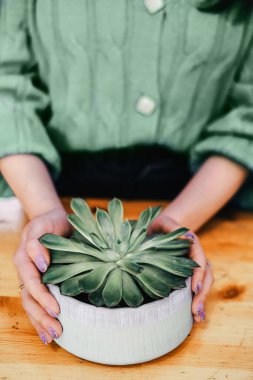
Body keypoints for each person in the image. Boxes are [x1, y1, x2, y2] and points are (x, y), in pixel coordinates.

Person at [0, 0, 252, 345]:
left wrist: (178, 226)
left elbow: (248, 115)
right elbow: (7, 88)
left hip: (207, 199)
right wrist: (44, 210)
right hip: (53, 194)